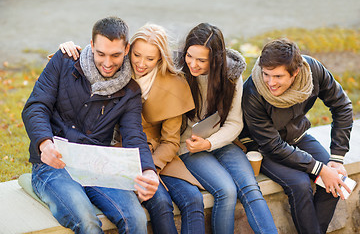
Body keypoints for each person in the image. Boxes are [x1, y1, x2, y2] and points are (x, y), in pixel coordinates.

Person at [58, 23, 205, 234]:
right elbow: (96, 55)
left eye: (150, 59)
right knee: (160, 202)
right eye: (137, 55)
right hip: (120, 151)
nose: (141, 64)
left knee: (192, 198)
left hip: (158, 156)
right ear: (128, 50)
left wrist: (150, 168)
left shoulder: (174, 85)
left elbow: (170, 141)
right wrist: (69, 47)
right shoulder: (114, 67)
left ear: (161, 59)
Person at [22, 16, 159, 234]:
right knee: (87, 221)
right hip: (54, 163)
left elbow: (134, 135)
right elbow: (35, 106)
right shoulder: (64, 61)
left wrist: (149, 170)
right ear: (92, 45)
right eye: (101, 53)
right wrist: (44, 144)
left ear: (127, 49)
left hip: (97, 166)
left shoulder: (130, 91)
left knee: (135, 218)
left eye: (115, 55)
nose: (107, 62)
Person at [240, 38, 353, 234]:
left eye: (277, 76)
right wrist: (319, 168)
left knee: (335, 179)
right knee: (300, 185)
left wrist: (336, 157)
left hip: (297, 135)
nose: (270, 82)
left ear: (295, 72)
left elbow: (342, 106)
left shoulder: (313, 71)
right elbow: (272, 145)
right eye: (266, 74)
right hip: (262, 146)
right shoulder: (253, 91)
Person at [177, 23, 277, 234]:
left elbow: (234, 123)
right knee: (226, 191)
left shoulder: (231, 76)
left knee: (250, 188)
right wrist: (201, 144)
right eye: (189, 56)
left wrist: (211, 142)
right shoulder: (178, 74)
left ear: (215, 59)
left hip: (221, 141)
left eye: (201, 60)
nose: (193, 64)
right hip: (189, 145)